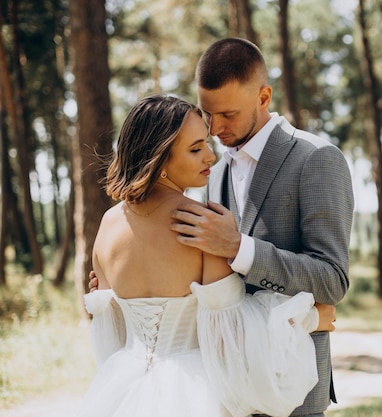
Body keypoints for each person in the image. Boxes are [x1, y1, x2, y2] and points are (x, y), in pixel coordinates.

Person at [76, 94, 337, 417]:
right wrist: (308, 319)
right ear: (159, 159)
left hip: (123, 387)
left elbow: (110, 332)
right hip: (193, 393)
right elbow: (232, 337)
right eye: (196, 149)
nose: (211, 157)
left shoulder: (109, 224)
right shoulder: (201, 227)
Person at [169, 38, 355, 417]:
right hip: (227, 383)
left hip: (293, 382)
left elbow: (332, 280)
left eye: (229, 114)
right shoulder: (212, 172)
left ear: (264, 96)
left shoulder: (317, 159)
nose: (215, 129)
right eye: (208, 114)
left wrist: (241, 249)